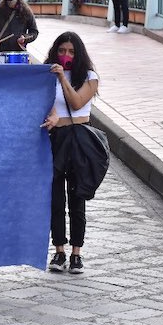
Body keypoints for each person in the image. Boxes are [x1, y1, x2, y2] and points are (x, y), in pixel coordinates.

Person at [40, 31, 100, 275]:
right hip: (55, 138)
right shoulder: (48, 73)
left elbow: (76, 103)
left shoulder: (89, 77)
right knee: (55, 199)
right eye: (62, 50)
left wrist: (63, 79)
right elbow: (44, 103)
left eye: (71, 52)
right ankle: (59, 250)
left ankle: (77, 253)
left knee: (77, 198)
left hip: (79, 138)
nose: (66, 56)